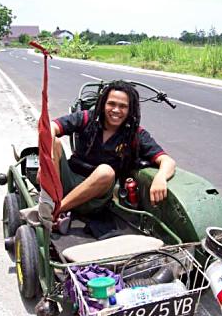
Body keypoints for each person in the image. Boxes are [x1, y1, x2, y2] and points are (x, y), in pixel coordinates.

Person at [49, 80, 176, 216]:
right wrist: (47, 158)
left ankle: (57, 210)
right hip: (67, 181)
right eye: (111, 104)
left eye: (123, 106)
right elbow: (50, 127)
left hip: (94, 196)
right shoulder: (87, 118)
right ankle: (51, 200)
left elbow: (167, 161)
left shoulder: (135, 134)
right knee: (53, 142)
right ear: (103, 104)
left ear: (130, 110)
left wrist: (160, 177)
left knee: (106, 171)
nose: (116, 110)